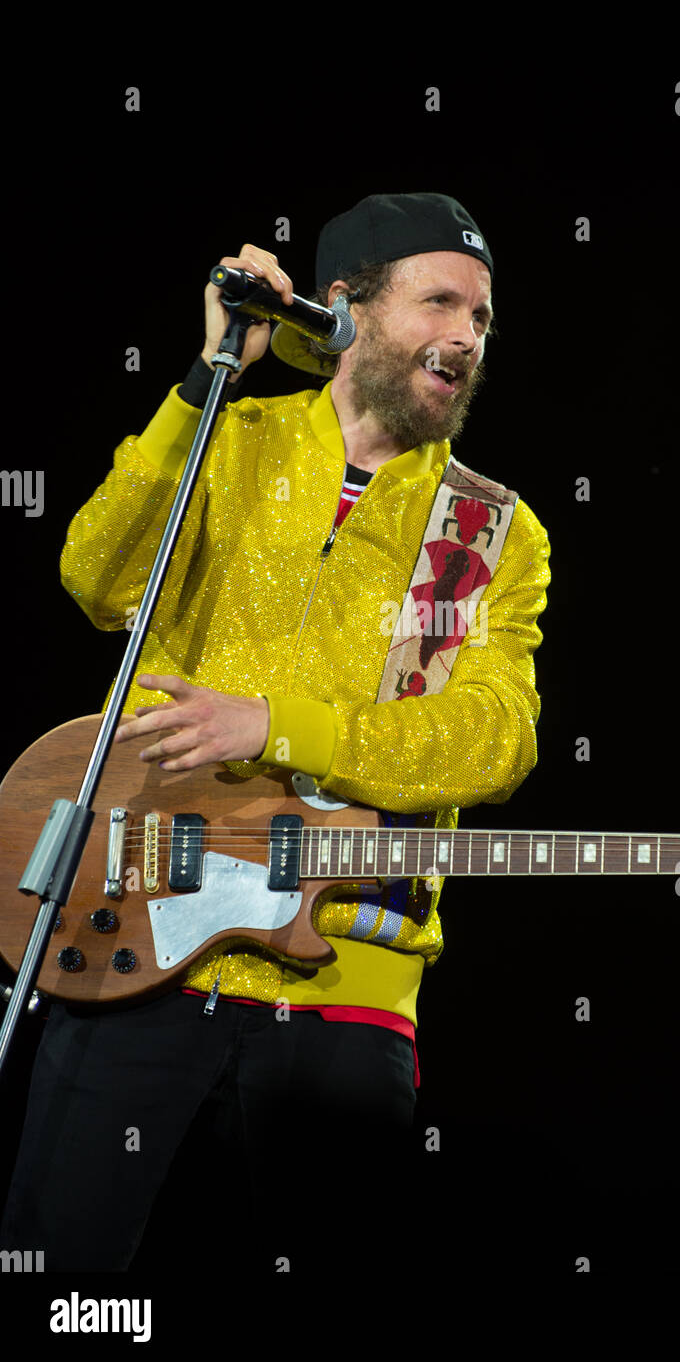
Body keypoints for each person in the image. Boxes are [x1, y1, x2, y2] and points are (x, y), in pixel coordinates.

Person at [0, 193, 551, 1271]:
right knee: (64, 1281)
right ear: (343, 309)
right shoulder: (229, 435)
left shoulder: (495, 530)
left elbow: (493, 741)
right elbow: (95, 573)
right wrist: (204, 380)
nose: (467, 336)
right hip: (136, 935)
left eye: (482, 317)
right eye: (439, 301)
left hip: (345, 978)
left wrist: (276, 725)